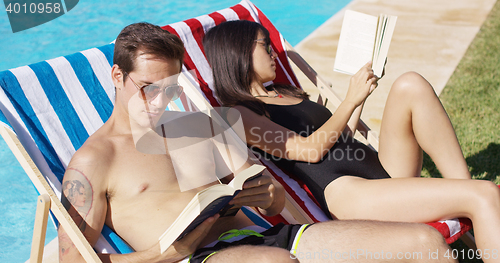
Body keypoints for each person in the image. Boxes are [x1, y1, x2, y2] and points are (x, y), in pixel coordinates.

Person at [57, 22, 458, 263]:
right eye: (147, 88)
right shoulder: (95, 161)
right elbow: (72, 260)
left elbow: (274, 204)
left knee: (424, 243)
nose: (159, 101)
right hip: (200, 257)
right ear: (115, 76)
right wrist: (164, 254)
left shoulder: (190, 129)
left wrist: (266, 194)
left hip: (267, 239)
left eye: (170, 88)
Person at [202, 20, 500, 257]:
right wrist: (349, 99)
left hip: (378, 170)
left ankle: (466, 193)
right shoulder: (238, 114)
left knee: (411, 84)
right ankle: (474, 202)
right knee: (483, 193)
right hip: (351, 193)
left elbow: (337, 138)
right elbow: (308, 151)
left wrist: (360, 96)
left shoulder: (283, 93)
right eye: (264, 46)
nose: (272, 52)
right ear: (238, 52)